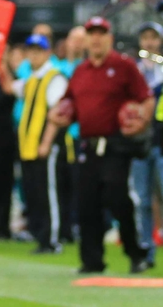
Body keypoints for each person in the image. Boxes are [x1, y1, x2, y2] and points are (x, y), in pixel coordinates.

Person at [49, 16, 152, 274]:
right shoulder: (81, 71)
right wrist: (57, 116)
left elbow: (146, 98)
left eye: (100, 33)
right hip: (87, 145)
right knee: (86, 203)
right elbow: (68, 104)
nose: (95, 38)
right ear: (86, 39)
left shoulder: (124, 66)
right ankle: (92, 260)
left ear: (110, 38)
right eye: (91, 33)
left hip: (116, 145)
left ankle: (135, 252)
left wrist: (142, 122)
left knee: (117, 199)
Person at [1, 34, 68, 254]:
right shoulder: (33, 79)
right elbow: (10, 87)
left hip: (44, 145)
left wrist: (46, 142)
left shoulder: (54, 77)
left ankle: (52, 239)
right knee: (35, 194)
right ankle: (41, 236)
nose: (34, 54)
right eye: (31, 50)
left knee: (48, 194)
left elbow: (57, 114)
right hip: (29, 146)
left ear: (47, 52)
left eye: (38, 50)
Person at [132, 21, 163, 268]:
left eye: (153, 38)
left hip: (160, 143)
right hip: (140, 144)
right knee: (142, 200)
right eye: (146, 38)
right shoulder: (134, 71)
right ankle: (146, 251)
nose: (149, 43)